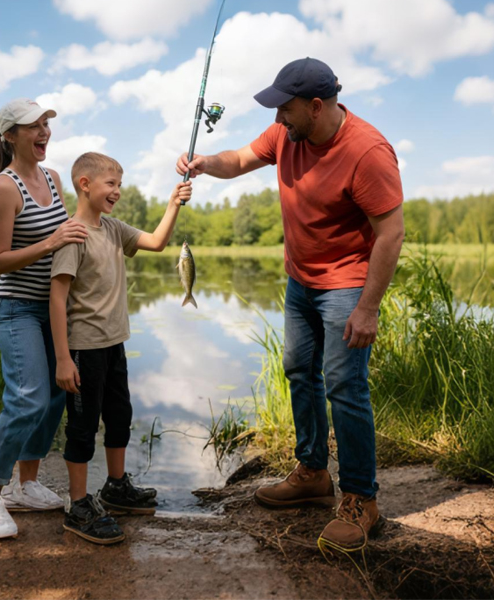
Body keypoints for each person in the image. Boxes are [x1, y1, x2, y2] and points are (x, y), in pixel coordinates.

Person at [175, 58, 405, 551]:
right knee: (300, 370)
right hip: (300, 281)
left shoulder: (368, 152)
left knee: (345, 385)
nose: (278, 118)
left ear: (317, 107)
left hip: (347, 286)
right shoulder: (287, 135)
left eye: (286, 109)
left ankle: (361, 500)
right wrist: (203, 164)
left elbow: (391, 234)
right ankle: (313, 473)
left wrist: (368, 307)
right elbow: (239, 159)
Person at [48, 152, 191, 545]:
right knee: (81, 427)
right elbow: (57, 298)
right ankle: (78, 505)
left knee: (119, 415)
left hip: (114, 345)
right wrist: (63, 358)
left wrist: (172, 204)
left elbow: (159, 243)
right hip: (83, 349)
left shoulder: (113, 229)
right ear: (85, 184)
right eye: (111, 184)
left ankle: (115, 487)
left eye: (120, 185)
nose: (118, 191)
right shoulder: (73, 234)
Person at [0, 98, 90, 539]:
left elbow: (65, 234)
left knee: (55, 398)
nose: (44, 132)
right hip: (15, 310)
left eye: (46, 124)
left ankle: (25, 485)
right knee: (27, 397)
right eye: (33, 126)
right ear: (10, 136)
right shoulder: (4, 188)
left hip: (51, 309)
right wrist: (51, 243)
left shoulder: (52, 177)